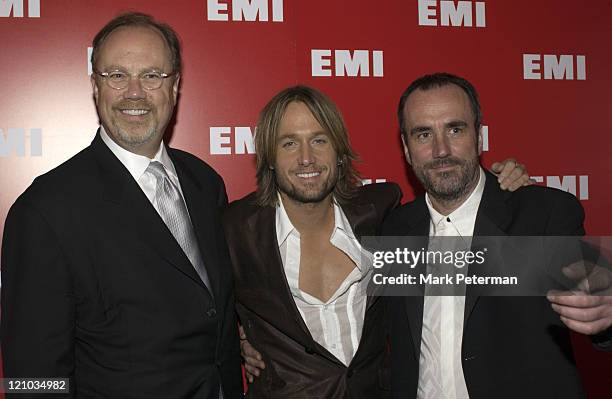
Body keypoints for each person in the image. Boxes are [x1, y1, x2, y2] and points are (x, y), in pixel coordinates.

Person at [224, 85, 530, 398]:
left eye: (319, 140)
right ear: (269, 157)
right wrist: (239, 340)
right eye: (289, 143)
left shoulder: (381, 214)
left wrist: (506, 183)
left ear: (339, 151)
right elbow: (202, 308)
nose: (306, 158)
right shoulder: (237, 230)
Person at [1, 12, 242, 399]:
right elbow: (32, 379)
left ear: (175, 86)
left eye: (152, 76)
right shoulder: (44, 211)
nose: (134, 92)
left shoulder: (205, 183)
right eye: (116, 76)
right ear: (95, 86)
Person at [384, 72, 612, 399]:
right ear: (406, 148)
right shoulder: (394, 229)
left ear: (479, 137)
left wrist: (604, 309)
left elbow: (591, 281)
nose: (441, 149)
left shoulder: (543, 214)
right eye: (423, 134)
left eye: (455, 129)